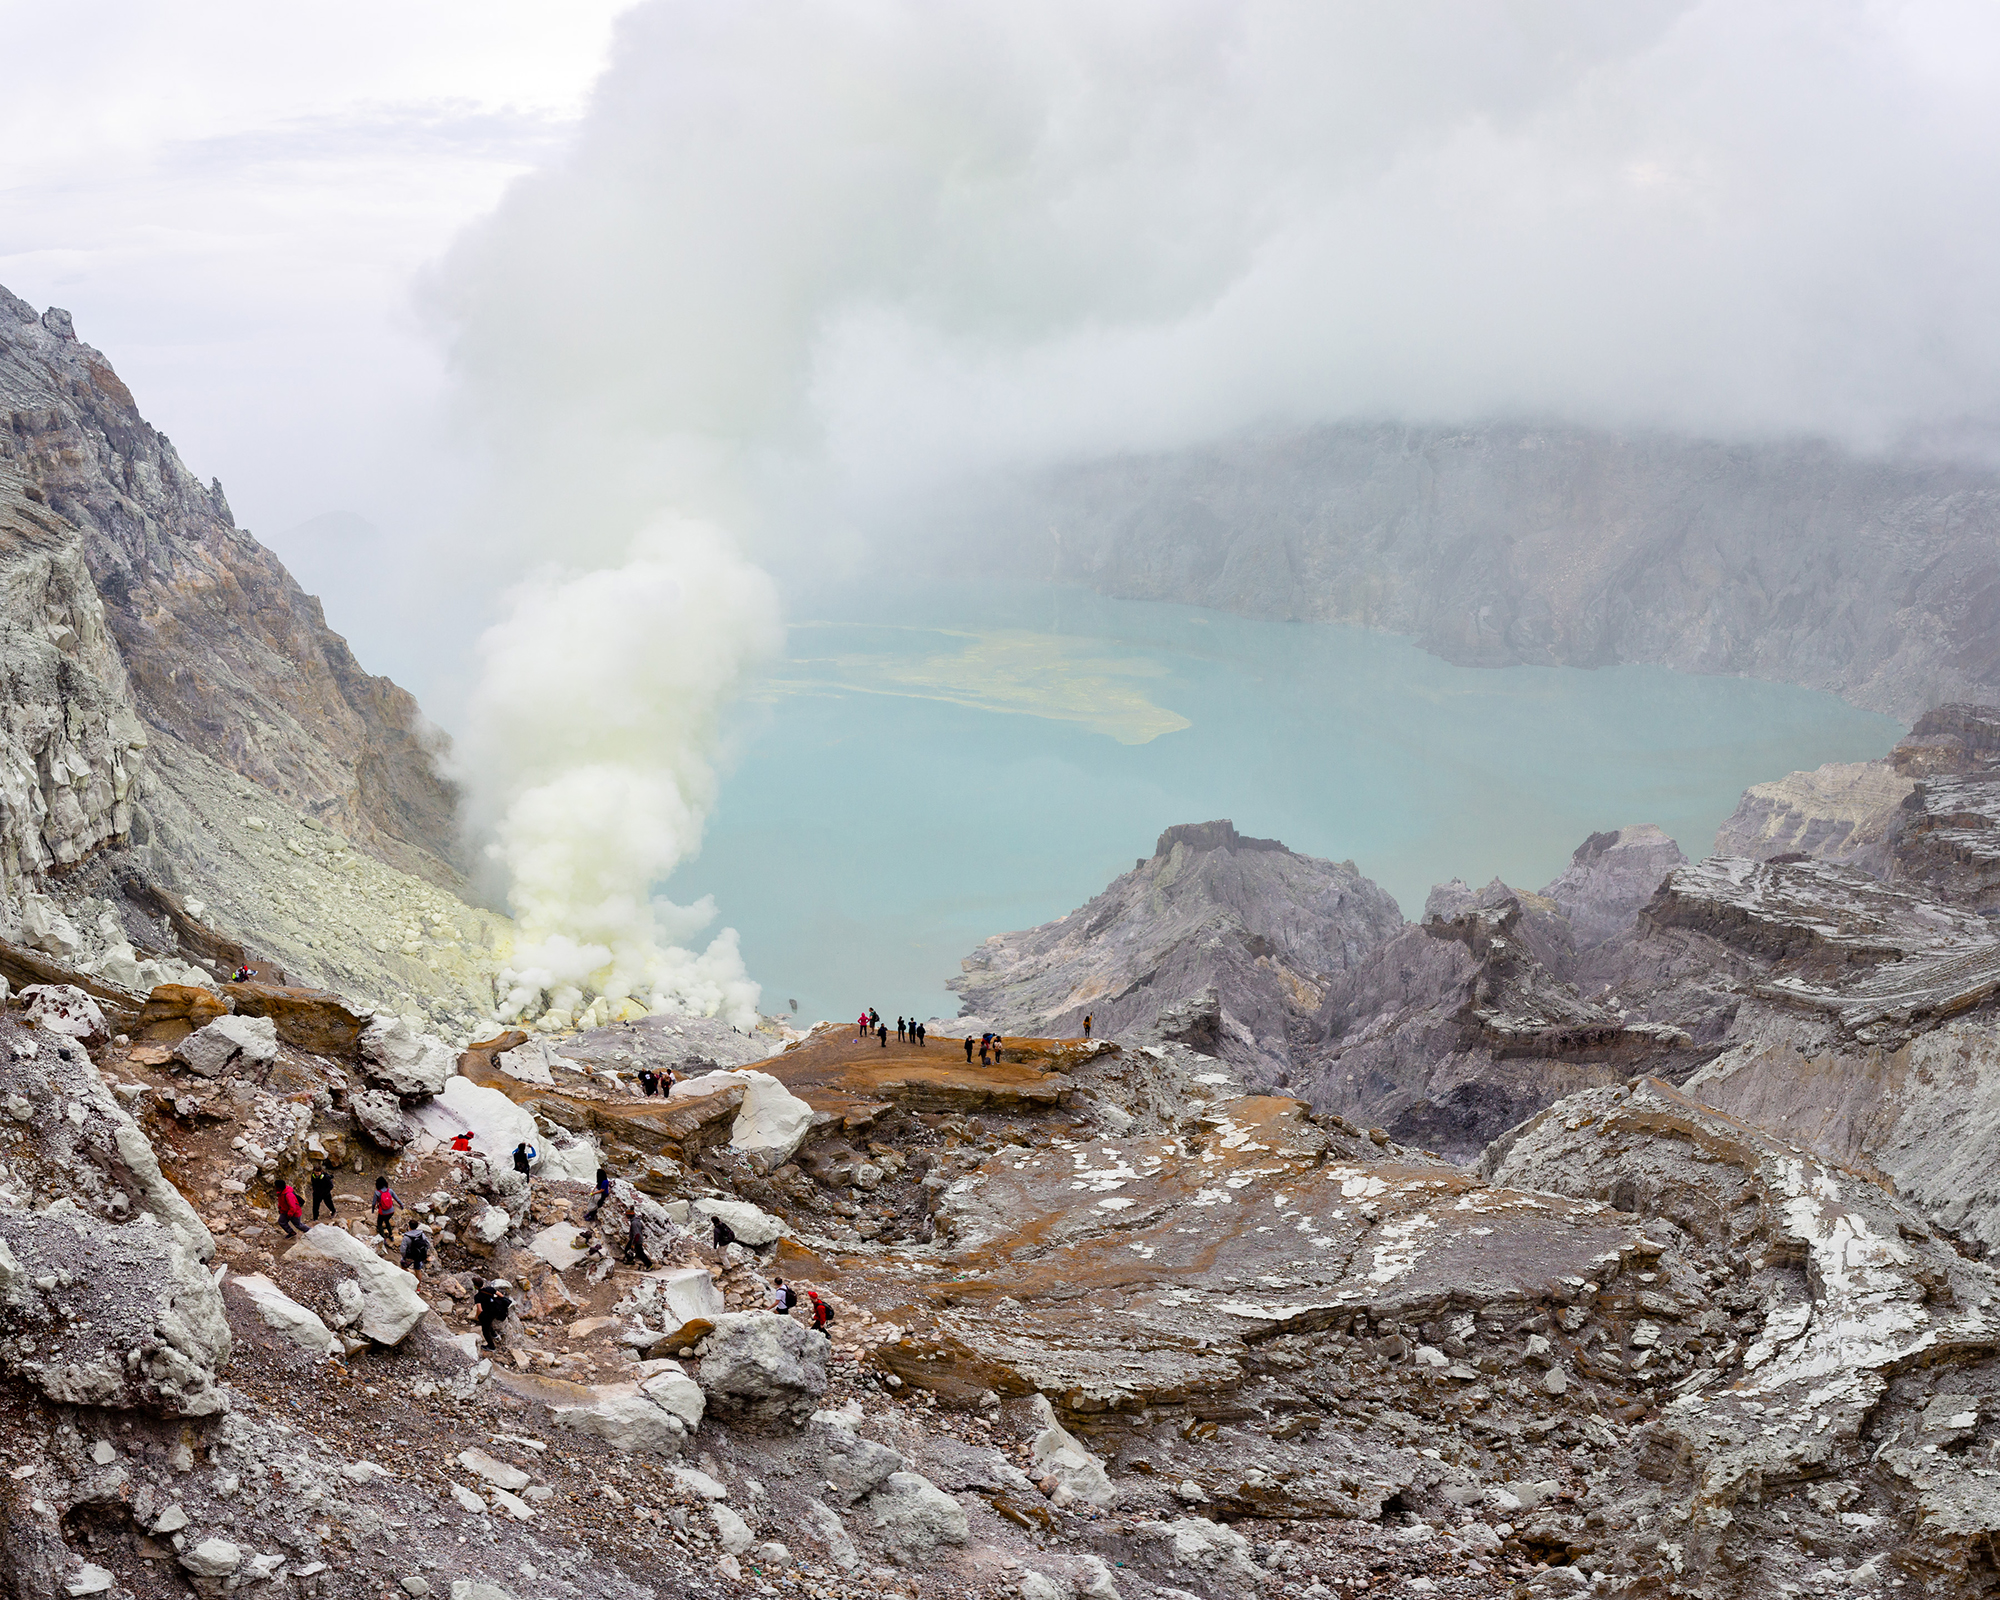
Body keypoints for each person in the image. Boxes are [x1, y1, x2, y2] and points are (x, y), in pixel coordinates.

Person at [473, 1279, 513, 1349]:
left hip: (488, 1314)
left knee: (485, 1331)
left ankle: (491, 1346)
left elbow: (480, 1309)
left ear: (476, 1286)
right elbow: (501, 1295)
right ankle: (493, 1334)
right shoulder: (490, 1289)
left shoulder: (478, 1296)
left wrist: (476, 1315)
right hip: (496, 1310)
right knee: (487, 1322)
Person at [373, 1177, 398, 1242]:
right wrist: (402, 1205)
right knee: (387, 1221)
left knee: (379, 1224)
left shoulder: (377, 1192)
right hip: (391, 1211)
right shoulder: (390, 1190)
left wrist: (373, 1209)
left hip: (383, 1212)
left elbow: (374, 1203)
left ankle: (383, 1238)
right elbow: (397, 1199)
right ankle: (391, 1235)